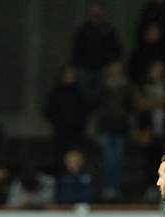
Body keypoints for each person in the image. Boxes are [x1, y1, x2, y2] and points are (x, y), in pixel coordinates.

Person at [93, 60, 133, 201]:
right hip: (105, 127)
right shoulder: (102, 86)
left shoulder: (126, 86)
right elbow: (95, 103)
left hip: (120, 128)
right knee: (109, 158)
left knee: (117, 159)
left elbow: (131, 106)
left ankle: (115, 188)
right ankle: (109, 187)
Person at [71, 1, 122, 97]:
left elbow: (117, 50)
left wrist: (111, 66)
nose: (95, 11)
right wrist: (78, 69)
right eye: (93, 9)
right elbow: (76, 51)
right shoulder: (83, 30)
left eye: (97, 8)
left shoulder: (108, 30)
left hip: (104, 71)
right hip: (86, 71)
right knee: (85, 98)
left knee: (103, 98)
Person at [45, 66, 89, 159]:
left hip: (76, 130)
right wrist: (57, 120)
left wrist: (79, 121)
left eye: (71, 75)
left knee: (74, 155)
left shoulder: (80, 91)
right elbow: (49, 109)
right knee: (60, 155)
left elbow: (85, 109)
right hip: (60, 129)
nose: (69, 77)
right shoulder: (56, 91)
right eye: (67, 75)